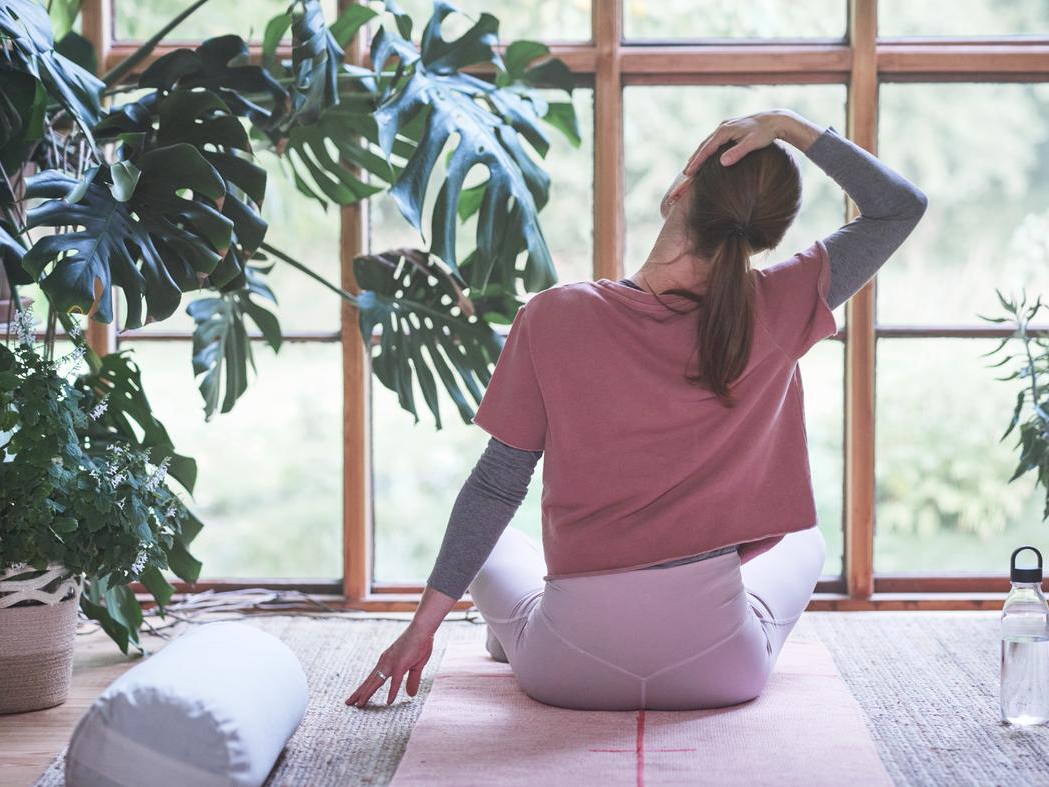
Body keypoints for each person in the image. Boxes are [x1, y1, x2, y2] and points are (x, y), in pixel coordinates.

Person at [345, 109, 927, 711]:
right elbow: (899, 207)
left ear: (679, 193)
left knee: (491, 547)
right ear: (763, 236)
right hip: (722, 671)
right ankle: (676, 621)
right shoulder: (783, 305)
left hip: (566, 671)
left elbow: (497, 484)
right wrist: (790, 127)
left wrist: (422, 628)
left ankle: (513, 635)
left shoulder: (553, 316)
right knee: (804, 543)